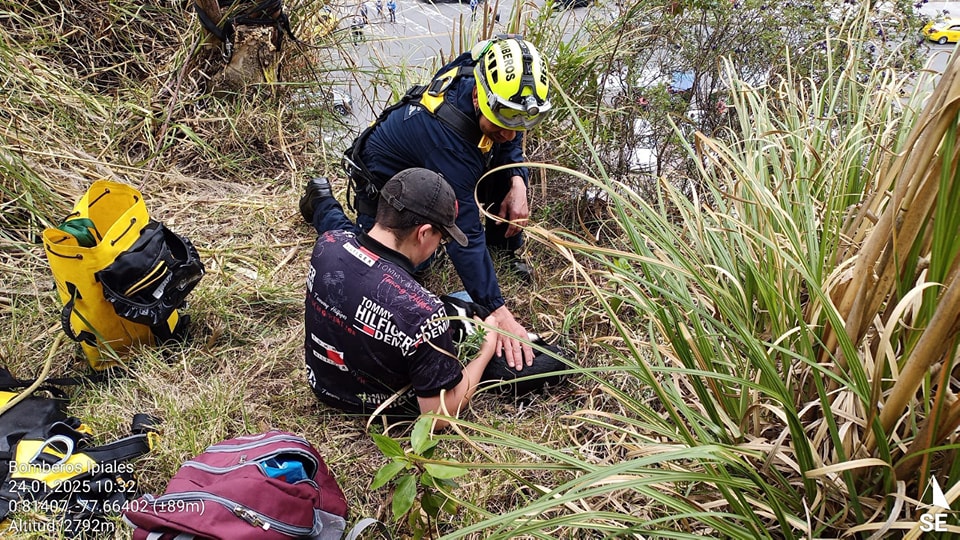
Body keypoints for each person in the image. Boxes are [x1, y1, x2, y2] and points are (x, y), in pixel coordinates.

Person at [335, 36, 552, 372]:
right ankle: (322, 204)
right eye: (503, 120)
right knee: (397, 265)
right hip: (386, 185)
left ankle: (505, 251)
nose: (510, 134)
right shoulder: (448, 140)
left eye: (518, 122)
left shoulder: (485, 77)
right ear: (479, 98)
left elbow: (513, 126)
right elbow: (465, 238)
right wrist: (496, 311)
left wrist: (518, 180)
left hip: (430, 170)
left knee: (503, 170)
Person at [302, 169, 501, 426]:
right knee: (469, 306)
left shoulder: (329, 242)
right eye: (440, 239)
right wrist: (486, 348)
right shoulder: (424, 314)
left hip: (325, 386)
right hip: (378, 409)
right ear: (424, 233)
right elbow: (437, 418)